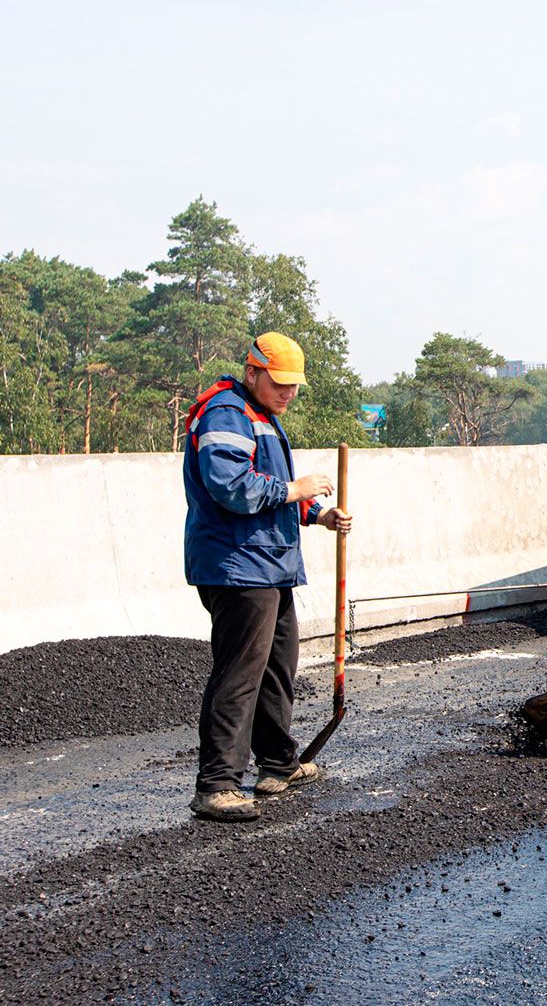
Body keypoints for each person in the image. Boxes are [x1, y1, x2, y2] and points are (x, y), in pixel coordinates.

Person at [182, 332, 353, 821]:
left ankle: (278, 764)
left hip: (269, 563)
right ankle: (216, 785)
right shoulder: (226, 414)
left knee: (279, 665)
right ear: (252, 371)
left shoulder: (260, 417)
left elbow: (272, 498)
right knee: (240, 673)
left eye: (294, 385)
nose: (288, 394)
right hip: (237, 567)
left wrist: (316, 513)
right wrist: (296, 487)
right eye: (279, 383)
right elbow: (231, 487)